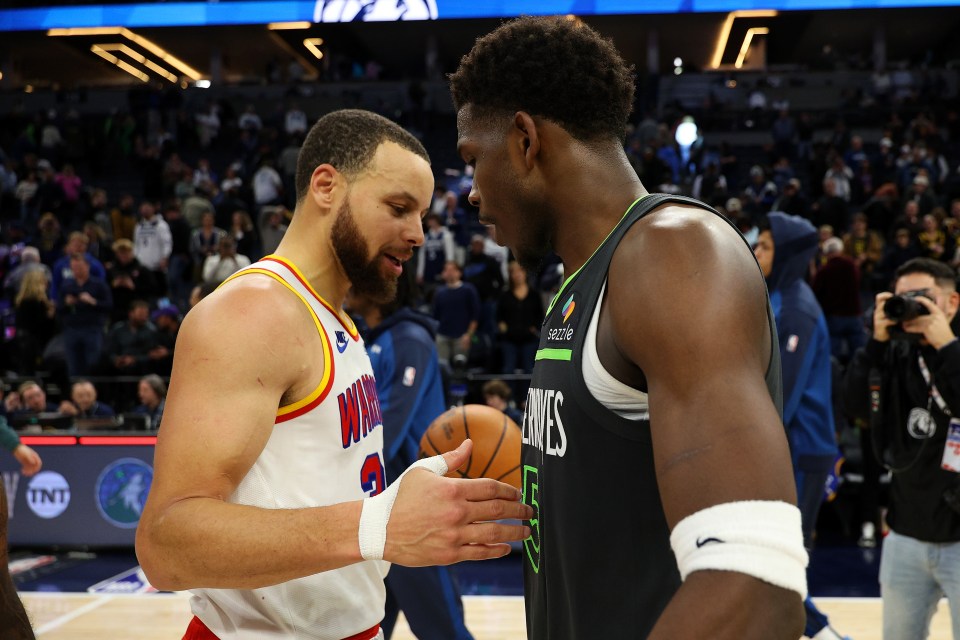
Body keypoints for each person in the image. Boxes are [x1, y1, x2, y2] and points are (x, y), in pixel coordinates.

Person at [450, 17, 804, 638]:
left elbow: (755, 586)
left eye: (473, 160)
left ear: (525, 140)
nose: (471, 193)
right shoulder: (581, 281)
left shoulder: (674, 255)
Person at [136, 109, 531, 640]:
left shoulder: (337, 318)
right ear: (326, 186)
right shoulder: (253, 313)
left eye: (422, 214)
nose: (417, 234)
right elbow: (165, 543)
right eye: (398, 207)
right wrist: (378, 524)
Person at [347, 263, 473, 640]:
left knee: (442, 630)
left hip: (413, 506)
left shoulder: (410, 339)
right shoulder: (371, 338)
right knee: (366, 625)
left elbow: (387, 431)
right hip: (381, 510)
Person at [843, 257, 960, 640]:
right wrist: (875, 345)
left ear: (951, 303)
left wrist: (947, 348)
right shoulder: (893, 354)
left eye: (922, 298)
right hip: (906, 536)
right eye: (901, 297)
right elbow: (856, 409)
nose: (910, 306)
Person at [753, 212, 849, 640]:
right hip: (783, 446)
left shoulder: (797, 310)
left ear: (789, 254)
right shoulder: (775, 298)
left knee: (778, 564)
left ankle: (825, 634)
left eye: (768, 245)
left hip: (799, 450)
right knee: (766, 562)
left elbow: (782, 398)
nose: (756, 250)